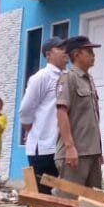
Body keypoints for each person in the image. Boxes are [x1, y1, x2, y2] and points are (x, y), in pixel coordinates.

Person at [18, 36, 67, 194]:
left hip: (60, 146)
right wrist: (29, 128)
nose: (65, 52)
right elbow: (26, 109)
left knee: (61, 194)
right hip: (43, 147)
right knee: (41, 194)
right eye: (60, 48)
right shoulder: (42, 77)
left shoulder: (67, 77)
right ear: (48, 54)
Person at [55, 35, 103, 192]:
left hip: (91, 153)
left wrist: (98, 151)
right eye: (89, 52)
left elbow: (92, 119)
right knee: (70, 202)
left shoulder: (89, 80)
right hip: (75, 154)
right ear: (76, 55)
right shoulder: (68, 78)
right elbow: (62, 112)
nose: (93, 55)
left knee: (93, 203)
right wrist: (70, 147)